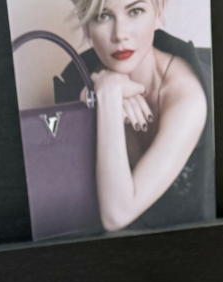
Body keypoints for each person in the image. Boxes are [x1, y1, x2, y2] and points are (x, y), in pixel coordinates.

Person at [54, 0, 212, 232]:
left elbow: (116, 215)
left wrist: (108, 95)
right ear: (86, 25)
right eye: (103, 16)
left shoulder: (186, 96)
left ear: (159, 12)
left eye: (135, 11)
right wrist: (103, 93)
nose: (120, 34)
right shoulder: (77, 80)